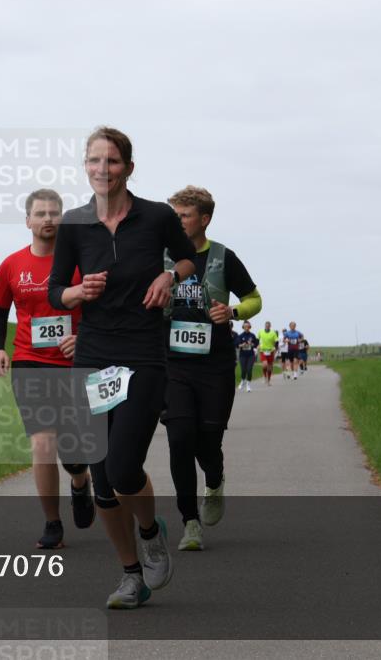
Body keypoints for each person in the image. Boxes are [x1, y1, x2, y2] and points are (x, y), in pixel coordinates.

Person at [48, 127, 196, 609]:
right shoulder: (73, 224)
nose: (102, 169)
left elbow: (189, 258)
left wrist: (168, 274)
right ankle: (131, 574)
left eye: (111, 161)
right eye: (94, 161)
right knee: (101, 471)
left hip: (143, 352)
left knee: (123, 464)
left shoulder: (156, 217)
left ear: (129, 167)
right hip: (93, 354)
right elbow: (56, 292)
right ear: (85, 167)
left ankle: (151, 531)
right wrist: (77, 293)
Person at [0, 188, 94, 550]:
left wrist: (82, 338)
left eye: (54, 213)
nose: (48, 219)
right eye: (41, 213)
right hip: (29, 361)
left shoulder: (79, 262)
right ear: (28, 220)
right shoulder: (11, 264)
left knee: (74, 447)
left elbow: (100, 308)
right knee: (43, 442)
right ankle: (52, 522)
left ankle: (80, 482)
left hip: (75, 363)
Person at [162, 186, 261, 552]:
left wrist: (231, 312)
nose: (176, 221)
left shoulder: (223, 257)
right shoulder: (162, 257)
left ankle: (215, 480)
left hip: (215, 364)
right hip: (173, 364)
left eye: (183, 215)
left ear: (204, 219)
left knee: (207, 441)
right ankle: (189, 521)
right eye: (172, 215)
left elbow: (254, 298)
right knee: (179, 439)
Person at [235, 321, 260, 392]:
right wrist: (242, 345)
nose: (246, 328)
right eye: (245, 327)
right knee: (243, 370)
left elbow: (256, 344)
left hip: (251, 355)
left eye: (248, 327)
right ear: (243, 327)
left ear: (250, 327)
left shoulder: (252, 335)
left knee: (249, 370)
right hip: (242, 355)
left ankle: (248, 384)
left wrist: (252, 345)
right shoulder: (240, 336)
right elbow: (237, 345)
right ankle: (243, 381)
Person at [257, 321, 279, 386]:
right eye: (266, 325)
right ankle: (264, 377)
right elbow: (257, 339)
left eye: (268, 325)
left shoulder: (273, 333)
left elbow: (276, 341)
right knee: (264, 365)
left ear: (270, 326)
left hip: (271, 351)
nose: (267, 326)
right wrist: (257, 345)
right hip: (263, 350)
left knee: (269, 367)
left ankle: (268, 380)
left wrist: (276, 348)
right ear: (265, 326)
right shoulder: (261, 332)